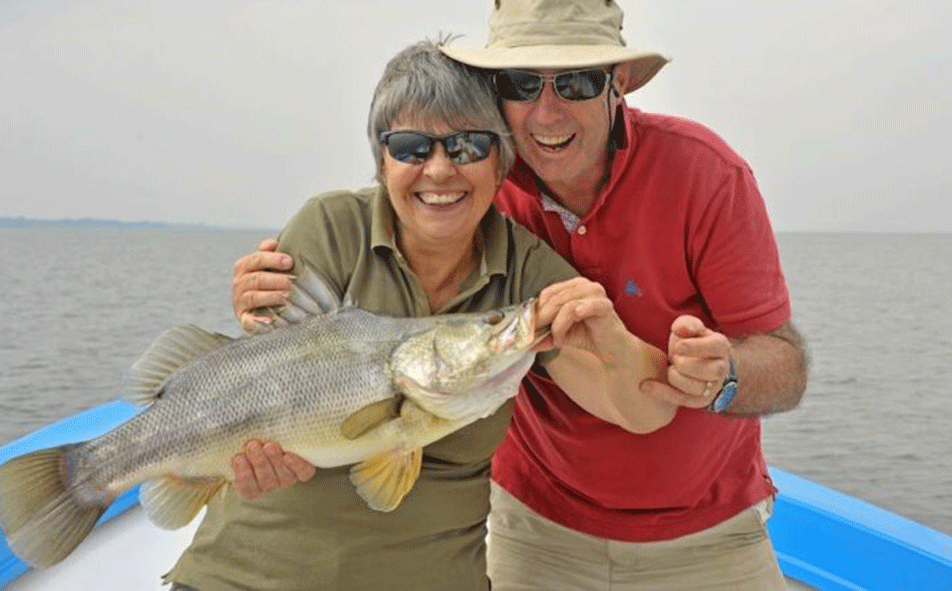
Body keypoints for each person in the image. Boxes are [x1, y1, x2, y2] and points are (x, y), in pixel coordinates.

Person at [232, 0, 808, 590]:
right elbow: (399, 213)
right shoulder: (477, 183)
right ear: (496, 94)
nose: (547, 111)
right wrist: (274, 297)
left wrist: (725, 376)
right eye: (521, 83)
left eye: (577, 82)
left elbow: (784, 363)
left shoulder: (707, 174)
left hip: (711, 535)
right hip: (535, 529)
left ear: (617, 83)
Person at [164, 38, 676, 591]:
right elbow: (259, 366)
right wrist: (239, 460)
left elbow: (641, 410)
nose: (439, 170)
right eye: (410, 147)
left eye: (468, 145)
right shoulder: (330, 227)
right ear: (381, 162)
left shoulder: (528, 276)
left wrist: (613, 340)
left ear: (501, 162)